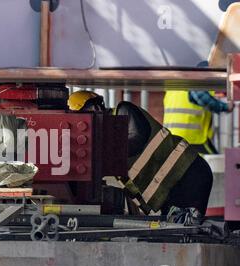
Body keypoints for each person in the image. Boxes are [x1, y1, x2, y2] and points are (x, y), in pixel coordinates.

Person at [68, 91, 213, 224]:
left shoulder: (122, 111)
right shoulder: (102, 140)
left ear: (99, 106)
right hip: (170, 189)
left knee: (187, 228)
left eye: (89, 112)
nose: (89, 119)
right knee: (179, 229)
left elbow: (137, 138)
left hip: (188, 173)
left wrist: (99, 155)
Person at [163, 90, 233, 154]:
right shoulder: (193, 79)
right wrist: (226, 107)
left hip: (171, 135)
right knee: (213, 163)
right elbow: (201, 98)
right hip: (191, 136)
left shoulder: (173, 87)